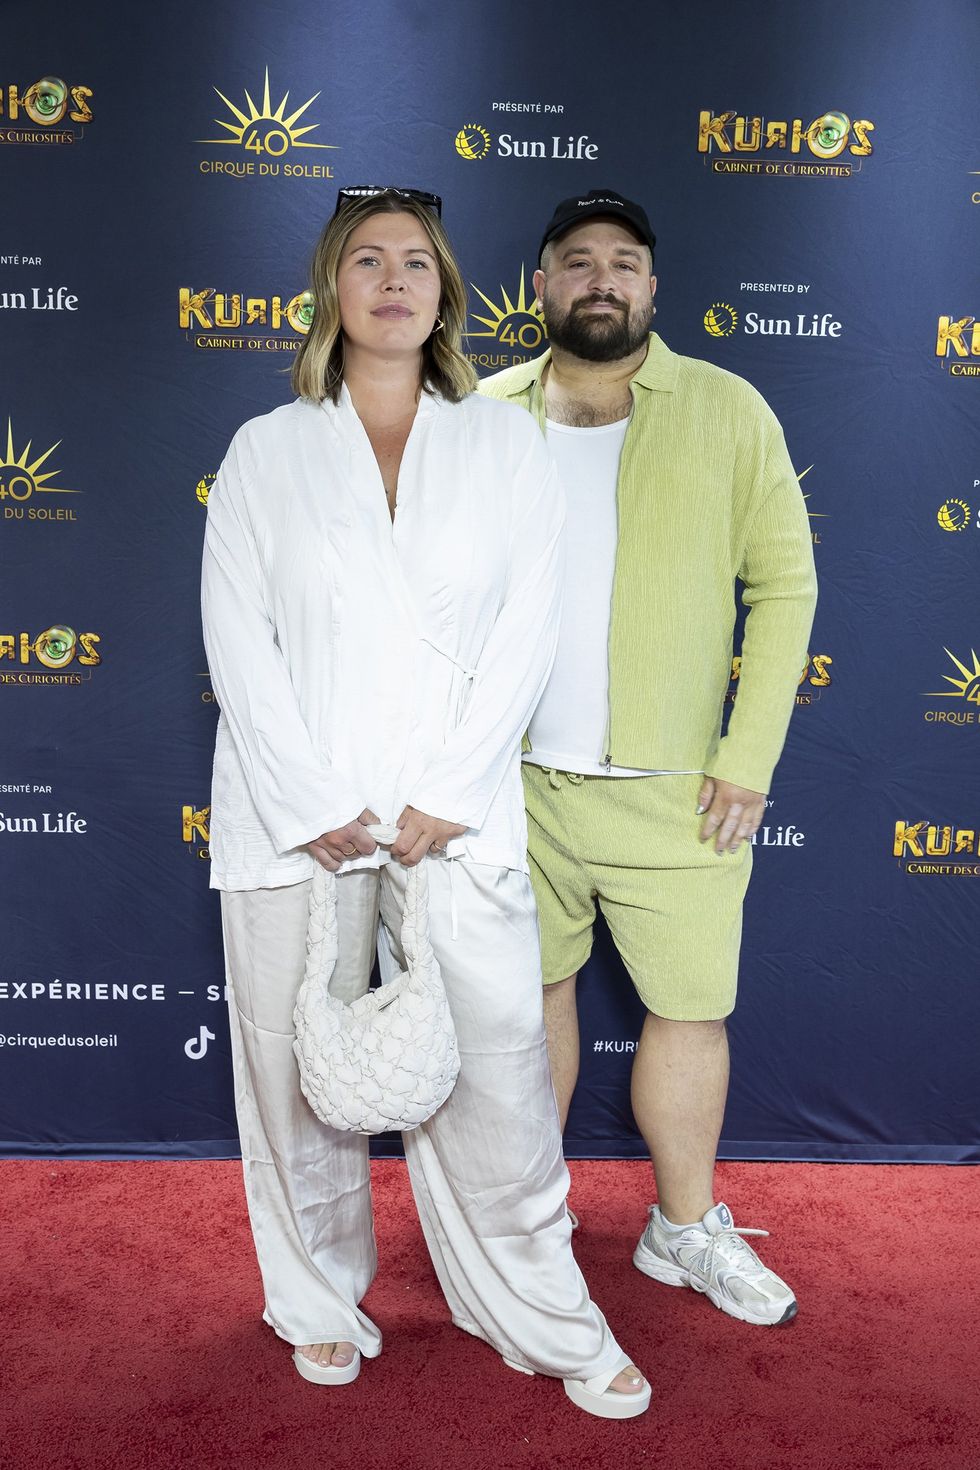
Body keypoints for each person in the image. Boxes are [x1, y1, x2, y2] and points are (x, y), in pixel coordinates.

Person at [201, 185, 649, 1416]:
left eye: (416, 262)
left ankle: (540, 1310)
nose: (393, 281)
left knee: (498, 1070)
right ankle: (314, 1295)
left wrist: (449, 790)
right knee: (296, 1074)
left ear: (446, 291)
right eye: (366, 261)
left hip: (455, 810)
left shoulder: (502, 444)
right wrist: (307, 801)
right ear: (331, 290)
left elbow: (527, 627)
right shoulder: (264, 448)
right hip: (299, 816)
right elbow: (234, 639)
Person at [480, 189, 817, 1328]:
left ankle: (681, 1230)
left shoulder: (728, 410)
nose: (601, 280)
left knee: (687, 1010)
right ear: (539, 285)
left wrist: (746, 755)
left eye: (624, 262)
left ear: (653, 287)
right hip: (509, 788)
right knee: (527, 1007)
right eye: (576, 261)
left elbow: (784, 587)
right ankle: (526, 1232)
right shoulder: (478, 416)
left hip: (680, 795)